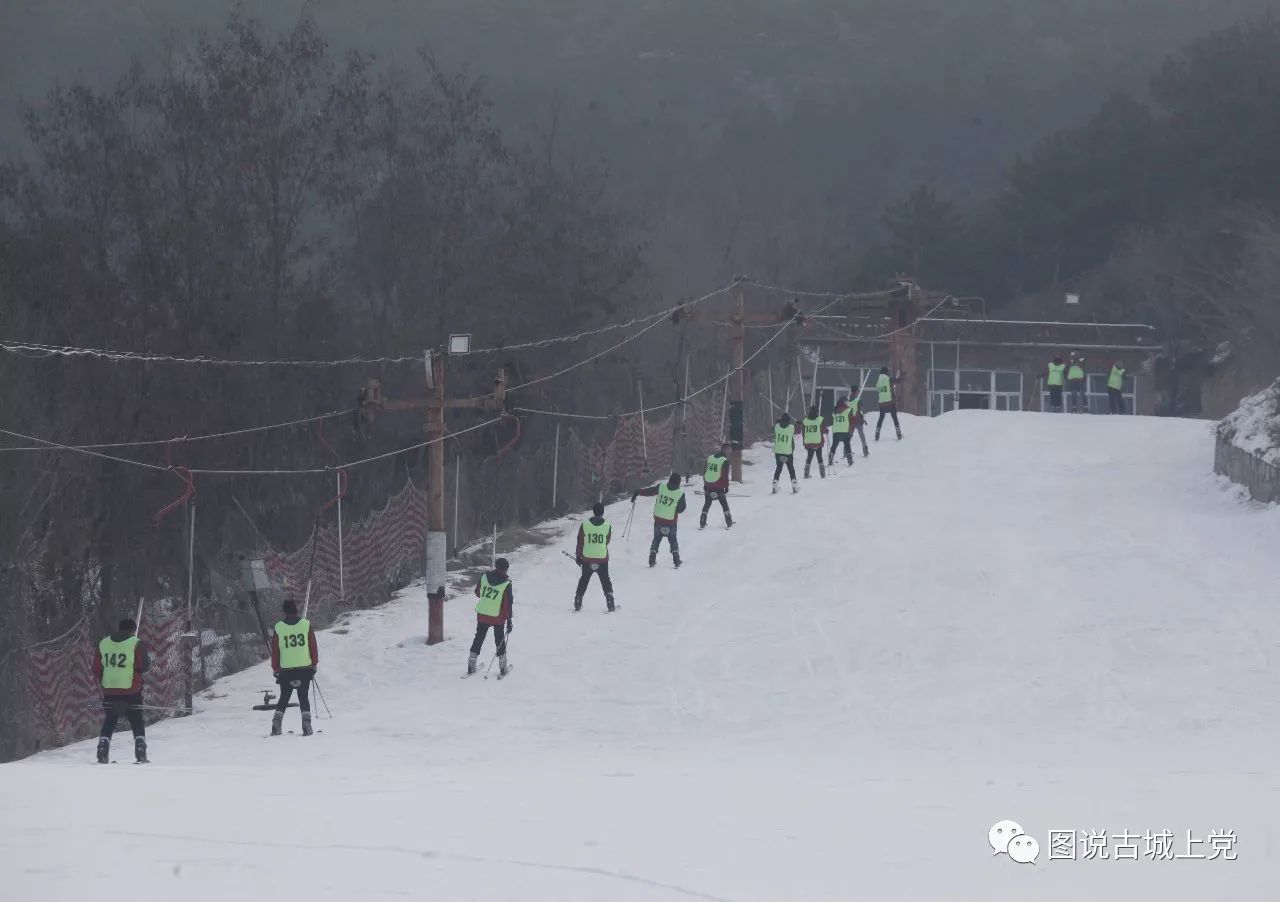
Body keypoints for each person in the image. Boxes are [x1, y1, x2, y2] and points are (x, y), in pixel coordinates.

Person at [95, 617, 151, 764]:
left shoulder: (103, 643)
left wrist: (106, 679)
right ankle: (140, 750)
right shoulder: (136, 643)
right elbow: (144, 666)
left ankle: (103, 747)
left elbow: (96, 668)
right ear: (133, 630)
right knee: (136, 718)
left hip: (109, 689)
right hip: (131, 689)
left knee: (110, 719)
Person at [270, 599, 318, 736]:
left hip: (286, 670)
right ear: (296, 610)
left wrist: (275, 667)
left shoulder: (279, 627)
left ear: (284, 611)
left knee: (284, 697)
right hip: (304, 669)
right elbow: (312, 646)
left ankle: (276, 723)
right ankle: (306, 725)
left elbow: (275, 650)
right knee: (303, 697)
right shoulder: (306, 624)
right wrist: (314, 663)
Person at [468, 558, 513, 677]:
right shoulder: (506, 584)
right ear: (506, 569)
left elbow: (478, 592)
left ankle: (471, 664)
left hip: (483, 614)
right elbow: (507, 605)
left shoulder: (484, 576)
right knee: (499, 640)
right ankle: (503, 667)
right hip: (497, 617)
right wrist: (509, 621)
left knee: (479, 637)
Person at [634, 472, 686, 568]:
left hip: (658, 520)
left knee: (656, 539)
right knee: (673, 540)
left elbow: (650, 491)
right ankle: (676, 560)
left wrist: (639, 492)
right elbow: (681, 509)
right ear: (678, 483)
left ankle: (651, 559)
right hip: (671, 522)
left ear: (669, 480)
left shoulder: (661, 487)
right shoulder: (680, 494)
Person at [575, 502, 615, 612]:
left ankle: (578, 599)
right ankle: (610, 599)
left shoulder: (585, 524)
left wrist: (579, 556)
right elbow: (607, 541)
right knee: (605, 579)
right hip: (602, 558)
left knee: (584, 579)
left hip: (587, 558)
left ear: (593, 511)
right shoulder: (607, 525)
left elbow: (580, 542)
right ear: (603, 512)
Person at [699, 441, 733, 530]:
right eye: (728, 450)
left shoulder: (710, 458)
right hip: (718, 486)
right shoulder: (724, 461)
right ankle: (729, 521)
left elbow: (705, 471)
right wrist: (726, 487)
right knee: (724, 504)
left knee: (707, 504)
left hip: (708, 485)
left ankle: (702, 520)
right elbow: (725, 475)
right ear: (725, 450)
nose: (729, 452)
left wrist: (705, 484)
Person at [771, 412, 799, 494]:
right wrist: (798, 423)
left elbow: (774, 428)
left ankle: (775, 483)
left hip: (778, 452)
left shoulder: (776, 426)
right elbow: (798, 430)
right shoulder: (791, 427)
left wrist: (778, 422)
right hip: (788, 452)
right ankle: (794, 484)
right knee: (791, 468)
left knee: (779, 468)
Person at [874, 367, 902, 441]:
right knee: (894, 417)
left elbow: (877, 387)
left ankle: (877, 433)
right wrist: (900, 376)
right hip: (890, 402)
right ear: (886, 372)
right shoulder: (889, 379)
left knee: (881, 418)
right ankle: (898, 433)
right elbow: (898, 381)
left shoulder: (878, 381)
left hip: (882, 403)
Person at [828, 395, 856, 466]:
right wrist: (851, 429)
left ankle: (830, 459)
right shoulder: (848, 410)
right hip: (845, 430)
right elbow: (852, 420)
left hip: (836, 431)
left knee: (834, 445)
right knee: (847, 445)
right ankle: (850, 460)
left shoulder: (834, 411)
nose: (847, 403)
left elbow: (833, 418)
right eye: (846, 401)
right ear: (844, 402)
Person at [801, 404, 828, 478]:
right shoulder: (820, 419)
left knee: (809, 457)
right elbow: (824, 429)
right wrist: (826, 431)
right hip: (818, 442)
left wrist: (804, 441)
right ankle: (822, 474)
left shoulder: (805, 420)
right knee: (820, 457)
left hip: (809, 443)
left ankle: (806, 473)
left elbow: (803, 432)